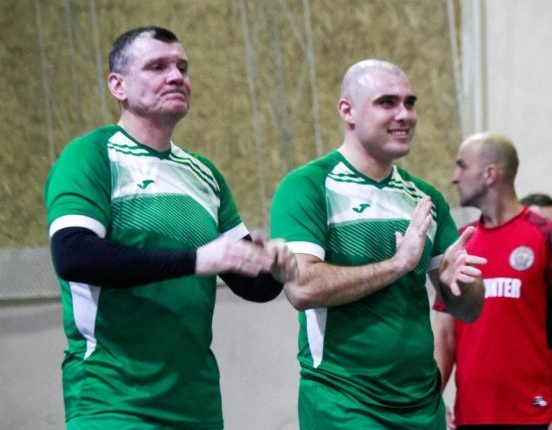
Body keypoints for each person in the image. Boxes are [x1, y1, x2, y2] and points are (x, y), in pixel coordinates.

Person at [44, 26, 297, 430]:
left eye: (182, 67)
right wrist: (196, 260)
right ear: (118, 86)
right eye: (157, 66)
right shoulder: (91, 155)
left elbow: (253, 285)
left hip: (196, 404)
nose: (176, 76)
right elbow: (74, 255)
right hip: (112, 400)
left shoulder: (203, 174)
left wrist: (275, 269)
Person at [269, 59, 487, 429]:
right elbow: (302, 288)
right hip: (343, 402)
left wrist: (459, 286)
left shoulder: (424, 197)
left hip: (422, 404)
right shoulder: (308, 186)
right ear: (347, 111)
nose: (405, 115)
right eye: (387, 102)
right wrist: (397, 265)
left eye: (410, 103)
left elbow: (470, 310)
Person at [432, 133, 552, 430]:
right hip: (471, 417)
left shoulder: (546, 235)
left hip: (537, 414)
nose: (454, 177)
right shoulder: (460, 243)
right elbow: (444, 334)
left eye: (462, 166)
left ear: (490, 174)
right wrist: (432, 399)